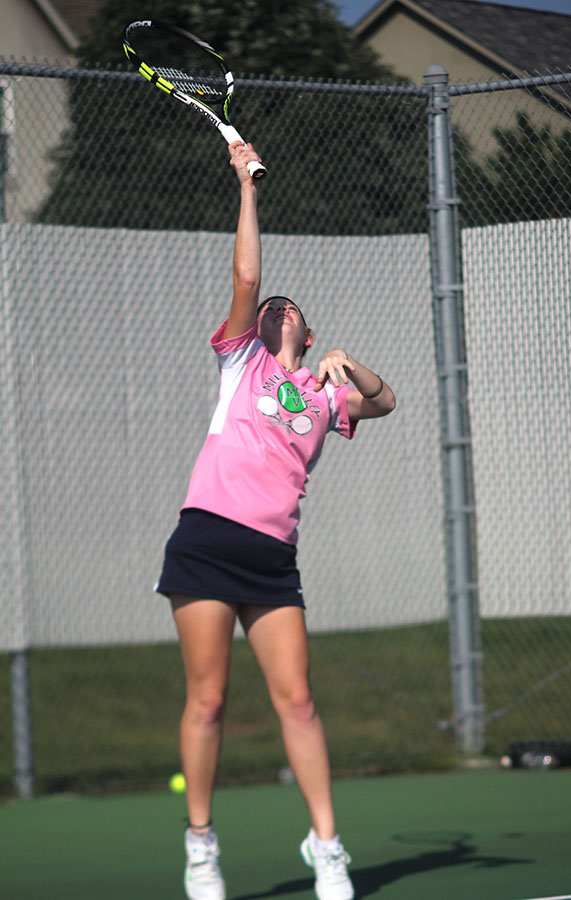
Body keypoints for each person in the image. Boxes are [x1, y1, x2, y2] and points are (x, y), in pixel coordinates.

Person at [155, 141, 396, 900]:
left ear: (306, 330)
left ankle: (328, 849)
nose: (272, 306)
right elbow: (248, 274)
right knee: (210, 700)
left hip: (271, 559)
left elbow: (385, 401)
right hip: (205, 540)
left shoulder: (325, 396)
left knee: (297, 699)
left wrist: (348, 366)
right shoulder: (240, 364)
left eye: (287, 308)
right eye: (267, 309)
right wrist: (246, 184)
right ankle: (201, 846)